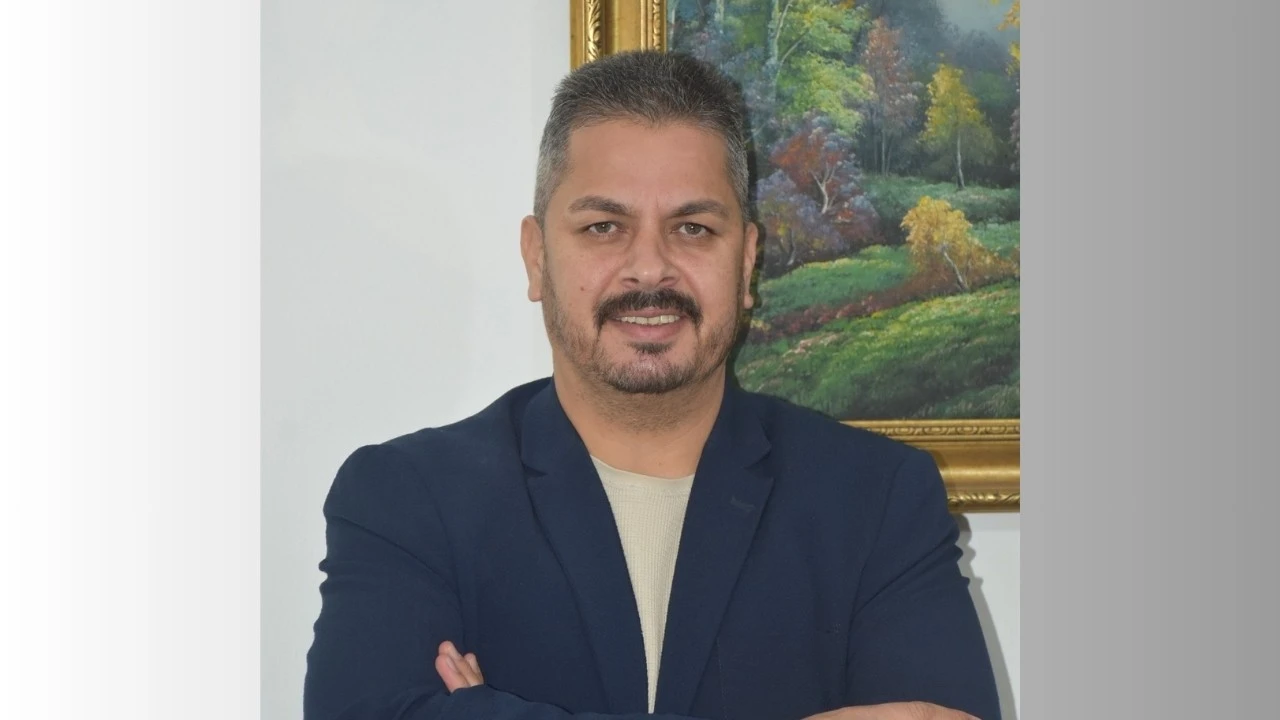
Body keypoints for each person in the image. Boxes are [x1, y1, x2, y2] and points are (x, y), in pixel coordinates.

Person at [303, 50, 1002, 720]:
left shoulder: (879, 503)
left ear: (747, 261)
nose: (649, 269)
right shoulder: (408, 500)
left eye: (692, 228)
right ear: (537, 258)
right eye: (604, 226)